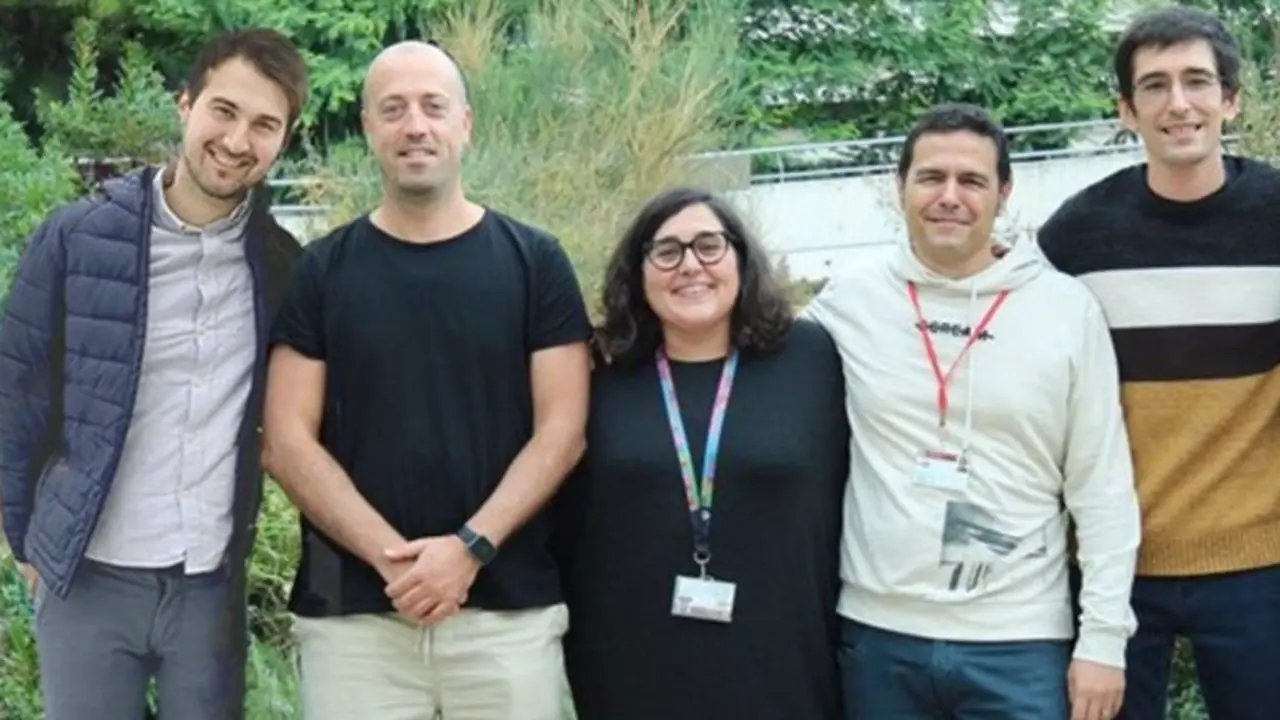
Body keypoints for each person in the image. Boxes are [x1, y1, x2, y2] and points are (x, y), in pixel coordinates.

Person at [261, 40, 591, 720]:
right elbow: (287, 441)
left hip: (506, 617)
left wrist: (469, 550)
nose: (416, 125)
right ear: (368, 130)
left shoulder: (536, 263)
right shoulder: (320, 273)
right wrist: (397, 563)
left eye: (433, 107)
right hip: (354, 624)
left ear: (465, 124)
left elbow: (563, 431)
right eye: (394, 109)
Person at [0, 28, 309, 720]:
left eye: (265, 125)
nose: (237, 141)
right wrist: (24, 545)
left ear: (283, 139)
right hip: (89, 577)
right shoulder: (77, 237)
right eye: (223, 111)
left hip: (208, 586)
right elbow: (14, 393)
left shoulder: (285, 266)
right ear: (185, 104)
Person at [802, 102, 1142, 720]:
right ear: (898, 185)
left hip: (1020, 642)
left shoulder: (1066, 310)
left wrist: (1103, 641)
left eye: (972, 180)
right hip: (879, 637)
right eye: (931, 177)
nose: (949, 196)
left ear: (1005, 192)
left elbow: (1102, 487)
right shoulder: (847, 302)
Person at [1037, 7, 1280, 719]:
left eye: (1198, 81)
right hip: (1113, 575)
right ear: (1126, 110)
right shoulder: (1074, 237)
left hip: (1261, 566)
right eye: (1155, 86)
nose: (1179, 103)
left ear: (1230, 100)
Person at [552, 187, 849, 720]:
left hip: (782, 661)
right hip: (630, 665)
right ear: (638, 272)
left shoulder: (812, 359)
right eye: (666, 251)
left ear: (741, 257)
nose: (690, 266)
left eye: (709, 246)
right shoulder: (599, 371)